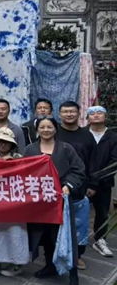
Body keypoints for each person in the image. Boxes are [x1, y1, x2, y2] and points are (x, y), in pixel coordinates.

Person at [24, 116, 86, 285]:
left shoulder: (66, 148)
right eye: (42, 127)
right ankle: (50, 265)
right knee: (45, 235)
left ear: (55, 129)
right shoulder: (30, 149)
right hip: (40, 202)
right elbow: (22, 171)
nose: (46, 130)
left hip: (61, 201)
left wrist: (68, 186)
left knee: (67, 237)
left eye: (49, 127)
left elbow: (79, 170)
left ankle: (73, 279)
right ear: (37, 130)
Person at [0, 128, 28, 277]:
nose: (3, 144)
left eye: (6, 142)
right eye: (0, 141)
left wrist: (13, 164)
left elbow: (26, 177)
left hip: (14, 203)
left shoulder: (20, 158)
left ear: (12, 144)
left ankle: (15, 263)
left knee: (15, 233)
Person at [56, 101, 97, 269]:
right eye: (65, 111)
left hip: (80, 186)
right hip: (56, 186)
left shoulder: (87, 135)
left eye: (72, 111)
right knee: (56, 222)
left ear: (79, 113)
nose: (69, 114)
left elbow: (93, 160)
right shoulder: (53, 132)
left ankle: (77, 255)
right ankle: (54, 254)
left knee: (79, 223)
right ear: (59, 114)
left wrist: (92, 184)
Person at [87, 106, 116, 258]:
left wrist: (96, 180)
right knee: (78, 212)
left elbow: (114, 161)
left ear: (105, 117)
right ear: (87, 118)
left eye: (100, 113)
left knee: (102, 213)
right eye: (92, 113)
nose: (96, 115)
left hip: (104, 183)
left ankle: (100, 240)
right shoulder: (83, 134)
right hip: (83, 182)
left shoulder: (113, 136)